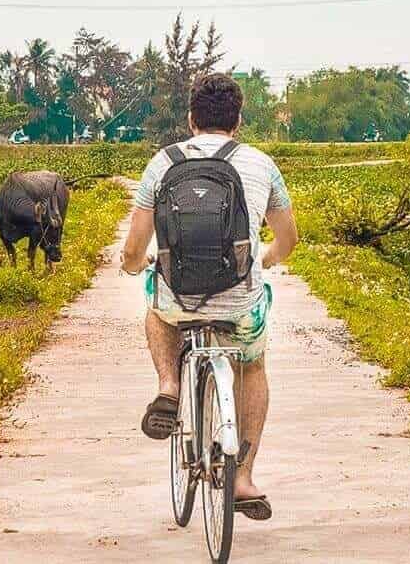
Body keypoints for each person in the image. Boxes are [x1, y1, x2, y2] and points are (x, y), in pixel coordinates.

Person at [120, 72, 298, 522]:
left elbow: (134, 245)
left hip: (179, 297)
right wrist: (269, 258)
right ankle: (243, 479)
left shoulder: (163, 162)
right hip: (240, 300)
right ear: (238, 120)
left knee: (157, 311)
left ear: (191, 118)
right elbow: (287, 238)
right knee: (252, 366)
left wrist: (132, 264)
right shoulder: (261, 164)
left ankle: (168, 386)